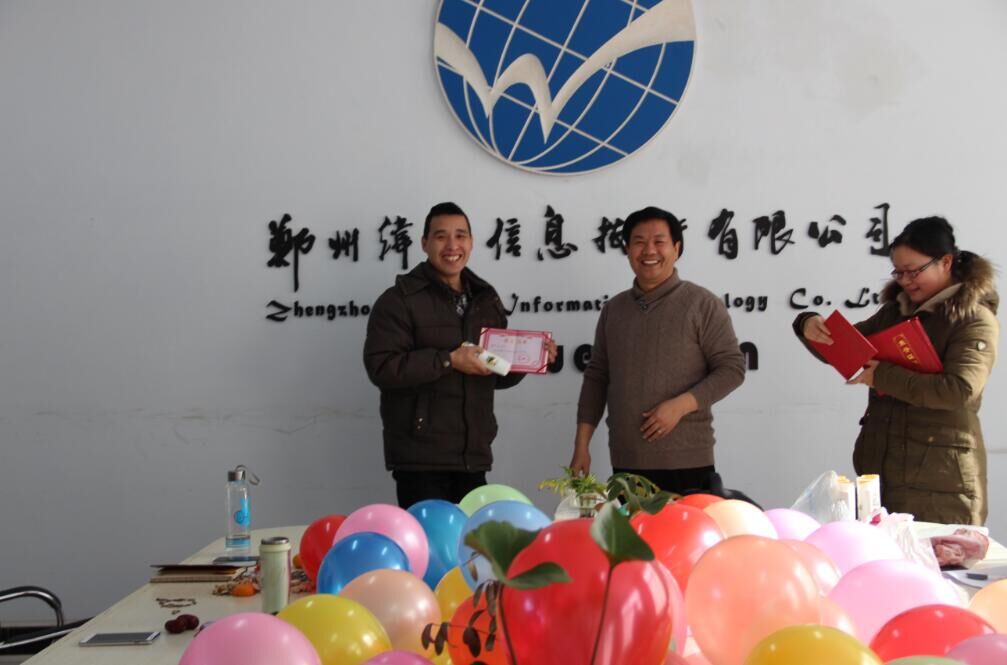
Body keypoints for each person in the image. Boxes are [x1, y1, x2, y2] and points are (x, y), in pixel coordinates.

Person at [795, 216, 998, 525]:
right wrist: (807, 324)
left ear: (945, 262)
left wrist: (882, 376)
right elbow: (845, 347)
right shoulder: (896, 312)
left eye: (913, 271)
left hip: (941, 481)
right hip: (884, 475)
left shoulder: (973, 319)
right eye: (898, 272)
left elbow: (960, 390)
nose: (905, 281)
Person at [364, 202, 557, 508]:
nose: (452, 246)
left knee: (472, 539)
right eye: (441, 236)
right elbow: (382, 367)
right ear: (424, 243)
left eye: (461, 236)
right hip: (421, 459)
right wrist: (449, 360)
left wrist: (530, 359)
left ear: (471, 242)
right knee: (430, 540)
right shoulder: (398, 300)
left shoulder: (485, 298)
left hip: (473, 455)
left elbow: (493, 373)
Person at [571, 206, 746, 495]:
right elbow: (597, 378)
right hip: (626, 463)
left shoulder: (702, 304)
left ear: (676, 248)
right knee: (629, 528)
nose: (649, 250)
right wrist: (581, 445)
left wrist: (680, 406)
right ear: (627, 250)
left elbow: (732, 369)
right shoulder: (614, 310)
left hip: (687, 463)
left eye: (659, 241)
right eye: (639, 242)